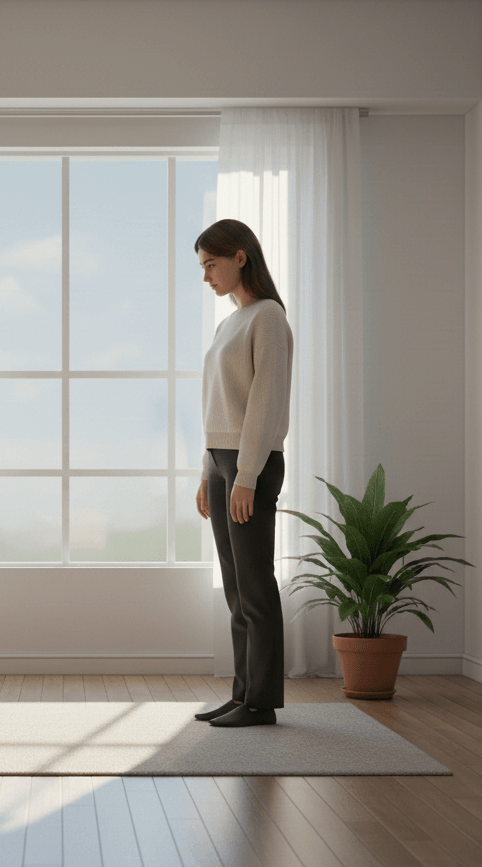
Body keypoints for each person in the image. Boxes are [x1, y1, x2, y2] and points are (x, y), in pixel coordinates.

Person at [192, 219, 293, 727]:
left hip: (249, 463)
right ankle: (242, 693)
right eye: (203, 266)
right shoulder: (227, 323)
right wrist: (206, 469)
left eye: (211, 264)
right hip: (222, 461)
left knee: (255, 584)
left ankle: (261, 702)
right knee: (235, 586)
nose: (206, 275)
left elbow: (265, 404)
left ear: (240, 257)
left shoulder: (267, 318)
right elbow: (220, 404)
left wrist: (247, 475)